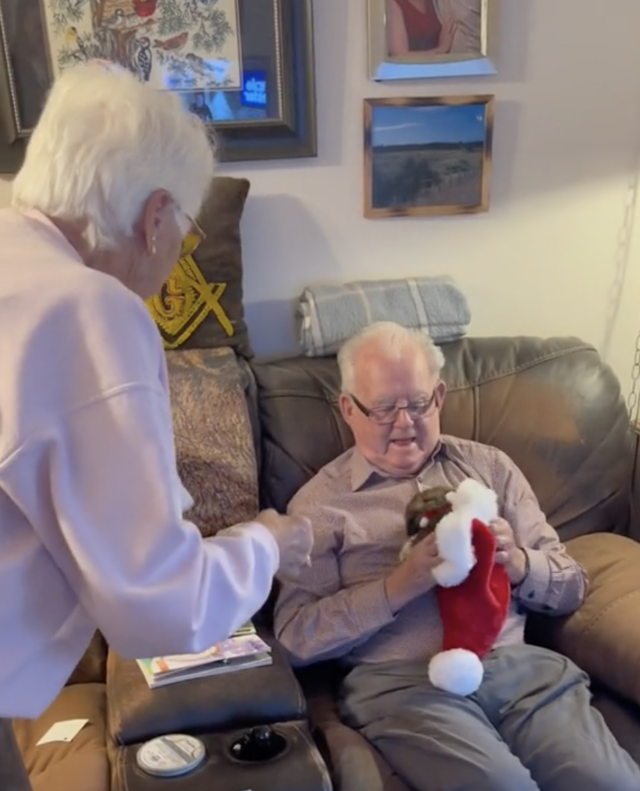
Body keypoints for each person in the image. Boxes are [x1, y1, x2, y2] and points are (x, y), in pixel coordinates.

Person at [0, 61, 313, 723]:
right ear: (155, 217)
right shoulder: (85, 309)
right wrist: (267, 544)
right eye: (185, 232)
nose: (177, 252)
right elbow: (163, 605)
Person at [273, 321, 640, 791]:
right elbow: (294, 638)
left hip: (517, 669)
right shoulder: (320, 506)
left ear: (440, 397)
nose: (404, 423)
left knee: (612, 783)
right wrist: (397, 587)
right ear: (348, 408)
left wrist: (519, 563)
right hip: (402, 684)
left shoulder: (491, 468)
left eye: (418, 403)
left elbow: (572, 584)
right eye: (383, 408)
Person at [386, 0, 482, 58]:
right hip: (412, 78)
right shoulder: (394, 4)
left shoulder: (435, 3)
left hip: (440, 73)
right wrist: (441, 50)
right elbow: (399, 56)